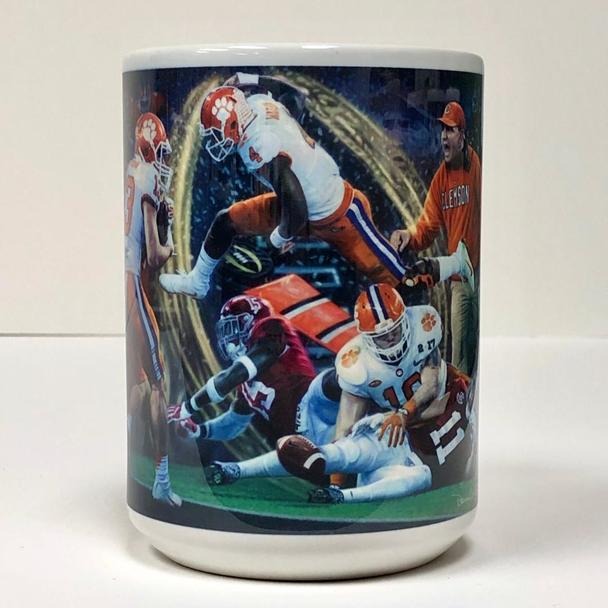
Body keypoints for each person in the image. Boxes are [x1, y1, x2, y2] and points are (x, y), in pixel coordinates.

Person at [159, 79, 473, 300]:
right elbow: (295, 95)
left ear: (233, 124)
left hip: (338, 213)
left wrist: (276, 241)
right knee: (226, 221)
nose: (215, 143)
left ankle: (456, 263)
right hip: (298, 202)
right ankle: (198, 281)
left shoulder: (257, 143)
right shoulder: (258, 104)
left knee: (403, 283)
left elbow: (297, 209)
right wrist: (248, 78)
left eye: (217, 133)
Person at [277, 283, 472, 503]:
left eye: (394, 331)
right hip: (406, 432)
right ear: (367, 338)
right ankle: (338, 491)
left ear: (405, 321)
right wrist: (335, 483)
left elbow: (431, 386)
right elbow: (345, 429)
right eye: (381, 336)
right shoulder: (357, 365)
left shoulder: (423, 325)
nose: (390, 339)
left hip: (445, 405)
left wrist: (404, 412)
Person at [167, 294, 340, 484]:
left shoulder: (272, 327)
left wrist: (188, 407)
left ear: (252, 320)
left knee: (330, 381)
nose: (230, 336)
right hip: (305, 443)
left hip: (323, 415)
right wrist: (199, 430)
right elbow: (233, 424)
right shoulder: (245, 384)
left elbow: (231, 376)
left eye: (234, 326)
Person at [390, 101, 481, 375]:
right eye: (442, 129)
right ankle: (462, 400)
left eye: (450, 130)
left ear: (462, 136)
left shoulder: (475, 166)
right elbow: (427, 227)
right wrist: (408, 235)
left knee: (480, 347)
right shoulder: (441, 178)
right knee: (459, 358)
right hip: (460, 281)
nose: (444, 136)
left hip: (483, 274)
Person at [125, 112, 181, 507]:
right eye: (159, 151)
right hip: (131, 280)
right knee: (159, 385)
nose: (164, 159)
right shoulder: (148, 178)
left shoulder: (132, 168)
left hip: (124, 277)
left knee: (140, 383)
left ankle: (130, 463)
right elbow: (155, 256)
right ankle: (161, 481)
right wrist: (170, 235)